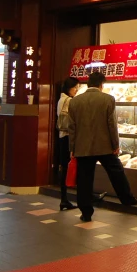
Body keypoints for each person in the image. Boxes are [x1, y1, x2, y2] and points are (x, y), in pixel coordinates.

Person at [68, 72, 137, 221]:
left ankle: (86, 212)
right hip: (105, 146)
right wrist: (115, 145)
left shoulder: (75, 101)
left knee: (84, 180)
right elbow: (111, 125)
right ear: (101, 85)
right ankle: (127, 199)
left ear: (88, 84)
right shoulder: (108, 99)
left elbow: (72, 128)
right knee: (116, 172)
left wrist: (72, 148)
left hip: (83, 147)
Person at [57, 77, 79, 211]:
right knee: (67, 167)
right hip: (67, 137)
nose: (76, 90)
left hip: (62, 137)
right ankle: (64, 199)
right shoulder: (69, 101)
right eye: (75, 87)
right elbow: (73, 121)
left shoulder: (61, 99)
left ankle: (64, 199)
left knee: (64, 167)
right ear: (68, 88)